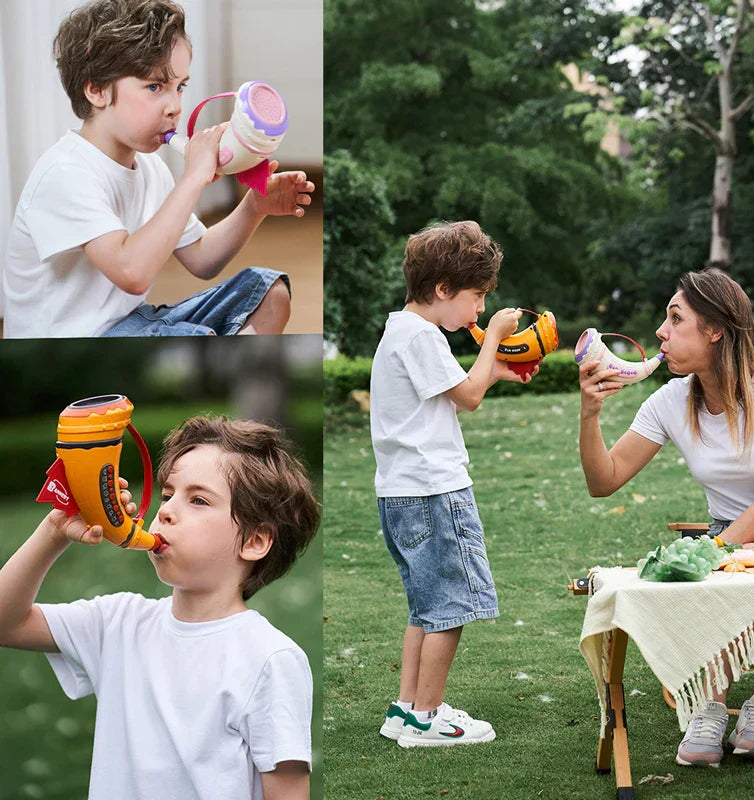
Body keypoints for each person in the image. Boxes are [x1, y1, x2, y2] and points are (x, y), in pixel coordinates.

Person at [0, 415, 321, 799]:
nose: (166, 511)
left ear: (254, 541)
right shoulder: (117, 623)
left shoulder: (271, 658)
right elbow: (7, 623)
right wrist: (55, 530)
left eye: (198, 499)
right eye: (168, 494)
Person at [578, 267, 754, 767]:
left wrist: (710, 554)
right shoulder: (669, 401)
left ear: (716, 329)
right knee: (720, 581)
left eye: (675, 319)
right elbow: (603, 481)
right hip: (729, 535)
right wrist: (589, 415)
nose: (661, 331)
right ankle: (710, 709)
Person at [4, 0, 315, 337]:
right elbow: (132, 273)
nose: (175, 107)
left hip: (134, 322)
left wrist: (255, 206)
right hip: (75, 344)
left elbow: (201, 259)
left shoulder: (151, 169)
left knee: (270, 293)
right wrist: (193, 179)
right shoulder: (66, 174)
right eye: (155, 87)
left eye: (179, 86)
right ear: (96, 90)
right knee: (195, 340)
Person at [370, 220, 533, 747]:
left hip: (400, 493)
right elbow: (467, 397)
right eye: (477, 296)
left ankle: (406, 709)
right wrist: (498, 343)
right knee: (449, 608)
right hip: (434, 492)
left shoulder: (401, 330)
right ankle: (429, 717)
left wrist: (497, 369)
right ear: (443, 290)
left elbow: (453, 389)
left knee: (425, 604)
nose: (480, 310)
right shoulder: (423, 335)